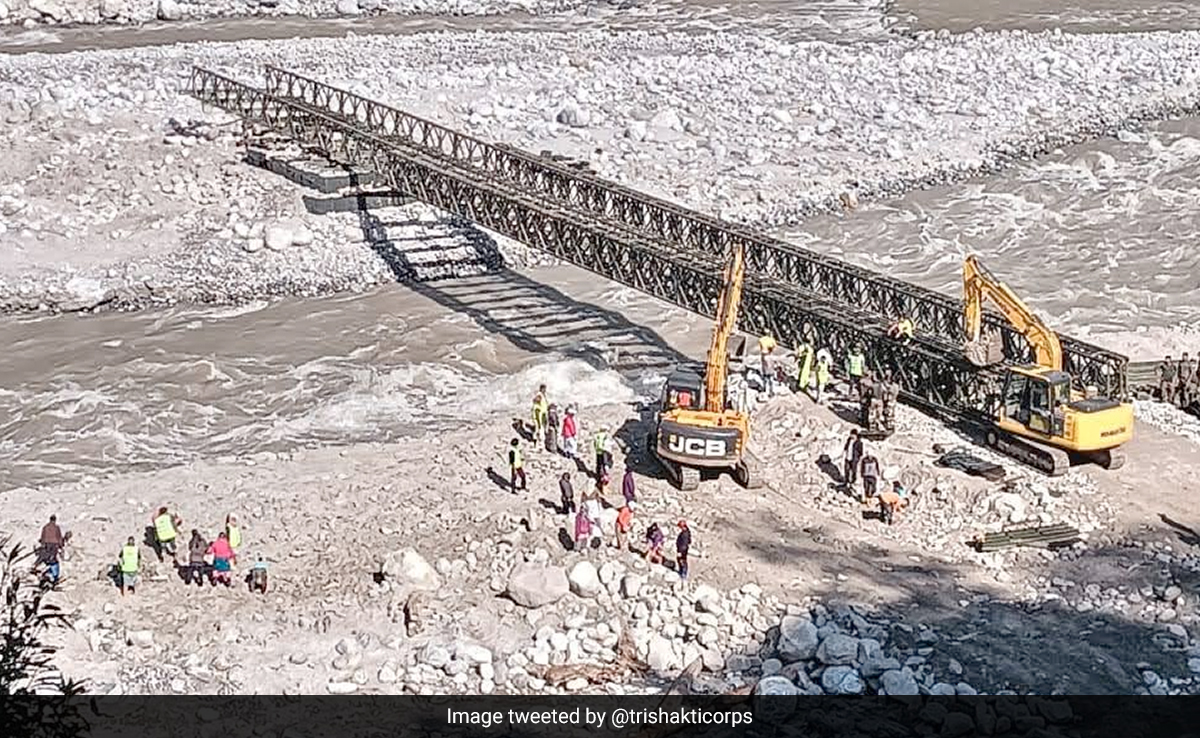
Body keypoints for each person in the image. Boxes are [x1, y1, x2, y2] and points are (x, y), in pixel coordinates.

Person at [38, 515, 64, 584]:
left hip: (46, 544)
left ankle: (48, 573)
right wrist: (61, 546)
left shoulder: (45, 527)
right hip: (54, 545)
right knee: (54, 560)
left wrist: (43, 544)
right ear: (55, 520)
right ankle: (55, 576)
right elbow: (59, 537)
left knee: (47, 559)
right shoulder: (56, 527)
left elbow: (42, 536)